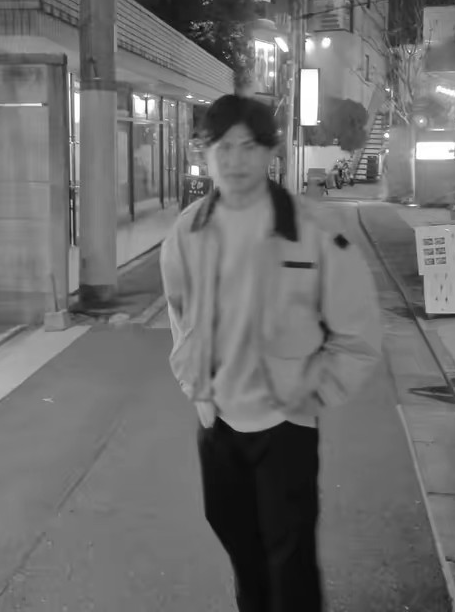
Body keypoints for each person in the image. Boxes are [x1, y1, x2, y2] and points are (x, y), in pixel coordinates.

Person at [160, 95, 383, 612]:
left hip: (285, 424)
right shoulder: (188, 232)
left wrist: (310, 395)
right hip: (217, 422)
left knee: (290, 555)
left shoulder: (314, 230)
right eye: (222, 146)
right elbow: (179, 314)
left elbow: (357, 332)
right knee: (240, 545)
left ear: (270, 152)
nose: (235, 160)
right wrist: (195, 388)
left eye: (248, 146)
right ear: (204, 153)